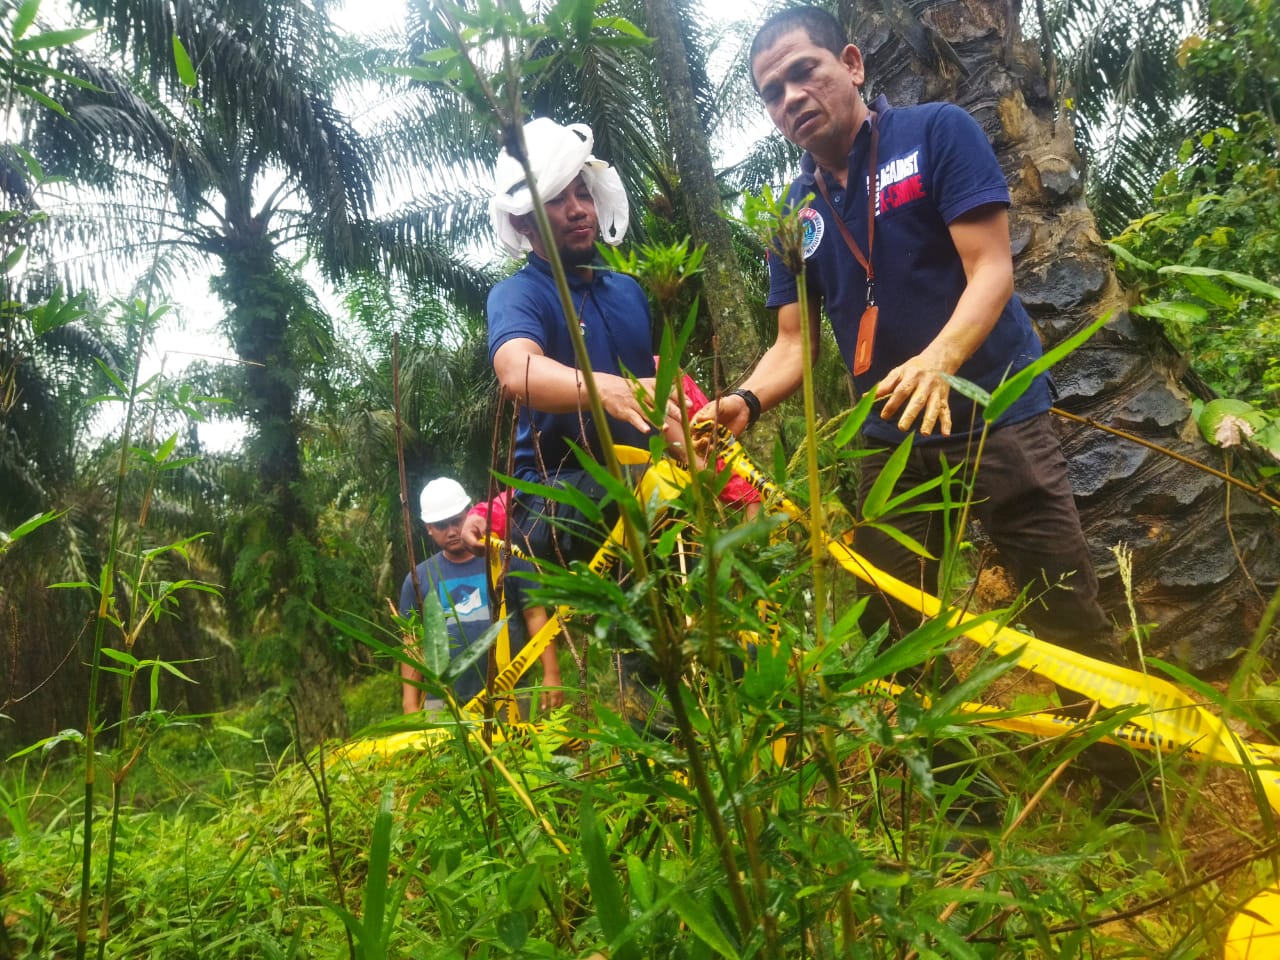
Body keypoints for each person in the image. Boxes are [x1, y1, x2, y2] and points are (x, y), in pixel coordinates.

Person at [694, 7, 1150, 823]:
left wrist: (940, 362)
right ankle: (962, 792)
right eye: (771, 92)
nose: (792, 96)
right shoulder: (791, 210)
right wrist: (743, 400)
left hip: (995, 407)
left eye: (805, 71)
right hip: (892, 437)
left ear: (853, 62)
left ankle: (1122, 785)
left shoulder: (937, 133)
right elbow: (794, 343)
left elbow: (991, 270)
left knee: (1061, 596)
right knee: (894, 619)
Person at [398, 477, 561, 714]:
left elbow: (535, 615)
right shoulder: (418, 578)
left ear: (470, 513)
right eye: (442, 525)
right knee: (450, 752)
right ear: (428, 528)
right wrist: (410, 703)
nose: (452, 531)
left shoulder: (506, 558)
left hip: (509, 691)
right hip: (442, 702)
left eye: (457, 521)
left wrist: (552, 673)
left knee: (517, 749)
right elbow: (411, 643)